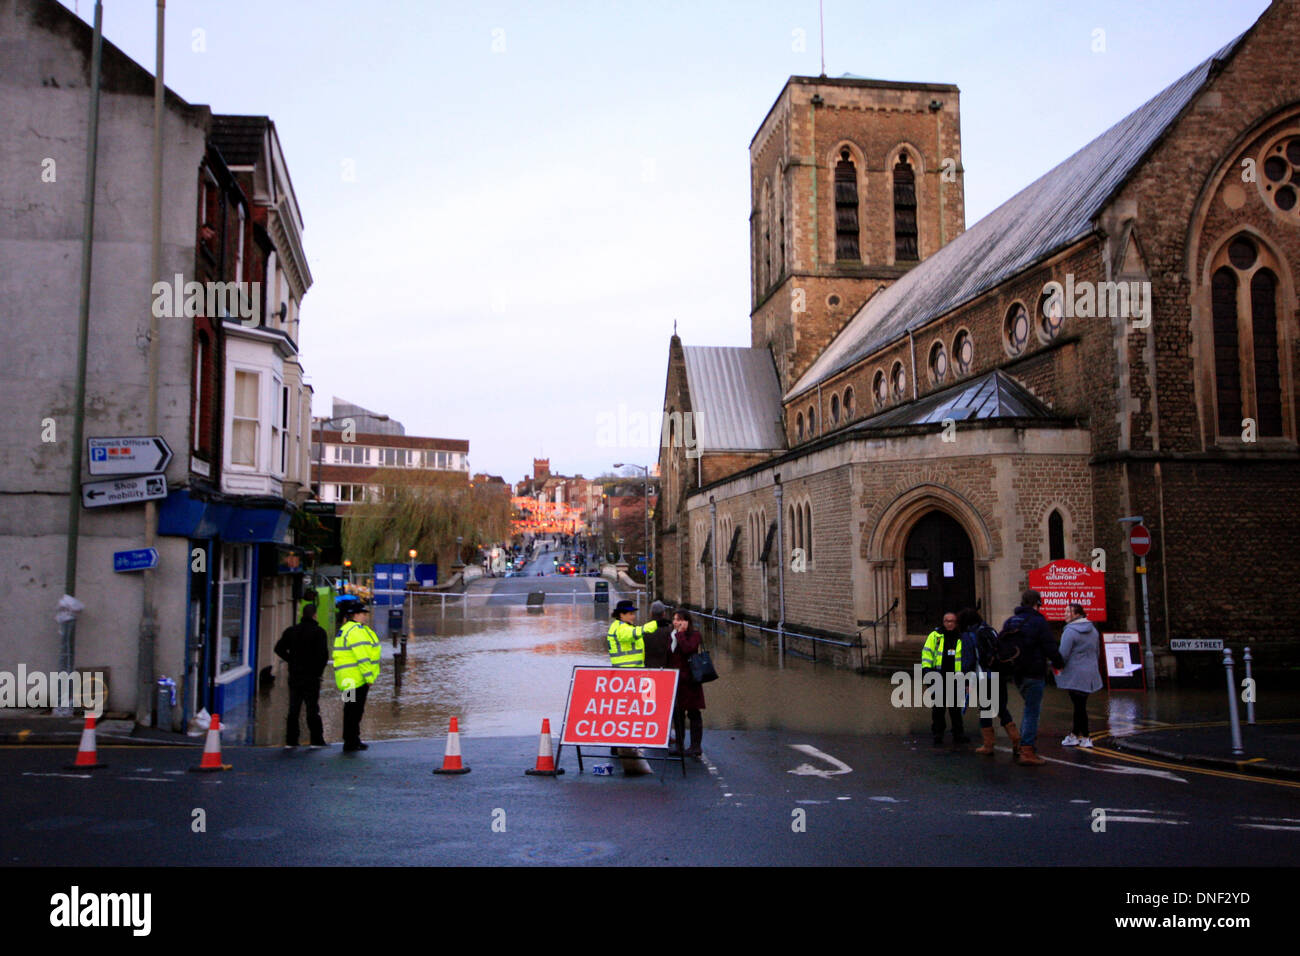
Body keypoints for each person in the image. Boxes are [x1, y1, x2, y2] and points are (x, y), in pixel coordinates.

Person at [1000, 588, 1064, 766]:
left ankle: (1022, 744)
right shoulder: (1038, 622)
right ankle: (1027, 750)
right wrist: (1059, 663)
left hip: (1016, 673)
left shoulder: (1011, 621)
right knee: (1031, 710)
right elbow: (1049, 646)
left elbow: (1001, 644)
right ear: (1038, 603)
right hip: (1034, 671)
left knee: (1029, 708)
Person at [957, 607, 1018, 757]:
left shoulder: (969, 635)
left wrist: (965, 678)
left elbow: (968, 660)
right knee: (1001, 708)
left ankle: (988, 744)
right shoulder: (990, 630)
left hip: (983, 676)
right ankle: (1017, 741)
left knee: (985, 709)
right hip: (998, 674)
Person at [274, 602, 329, 749]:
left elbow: (278, 648)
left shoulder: (291, 631)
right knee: (312, 708)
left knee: (294, 708)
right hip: (312, 676)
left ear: (302, 615)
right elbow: (323, 656)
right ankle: (316, 740)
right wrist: (318, 672)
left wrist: (291, 660)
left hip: (295, 675)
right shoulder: (319, 632)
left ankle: (291, 740)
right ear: (315, 615)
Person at [333, 598, 382, 753]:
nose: (365, 616)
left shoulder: (345, 629)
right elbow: (363, 657)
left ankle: (352, 739)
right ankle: (351, 742)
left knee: (350, 710)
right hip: (357, 680)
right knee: (355, 711)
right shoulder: (356, 631)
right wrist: (369, 678)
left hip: (347, 679)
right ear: (354, 615)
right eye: (362, 613)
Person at [1056, 603, 1102, 748]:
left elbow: (1063, 654)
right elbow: (1097, 652)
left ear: (1076, 615)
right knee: (1079, 705)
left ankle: (1086, 736)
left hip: (1075, 674)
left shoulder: (1070, 631)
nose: (1065, 614)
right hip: (1090, 672)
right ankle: (1075, 735)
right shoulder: (1093, 630)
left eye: (1068, 612)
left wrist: (1055, 665)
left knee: (1079, 706)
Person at [921, 611, 969, 746]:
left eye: (952, 621)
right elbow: (927, 654)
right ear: (943, 622)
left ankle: (958, 733)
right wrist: (927, 671)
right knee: (938, 708)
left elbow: (966, 658)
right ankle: (938, 734)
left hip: (956, 677)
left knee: (955, 709)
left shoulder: (961, 637)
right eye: (947, 621)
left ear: (956, 623)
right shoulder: (935, 636)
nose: (949, 624)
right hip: (938, 676)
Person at [667, 609, 706, 757]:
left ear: (687, 622)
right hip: (677, 681)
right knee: (678, 713)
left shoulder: (694, 635)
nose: (676, 622)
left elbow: (688, 649)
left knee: (694, 712)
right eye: (675, 619)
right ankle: (679, 745)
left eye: (680, 619)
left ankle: (696, 746)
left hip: (690, 681)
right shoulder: (671, 636)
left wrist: (681, 634)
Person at [606, 599, 659, 668]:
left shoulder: (620, 625)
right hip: (627, 670)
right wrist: (656, 624)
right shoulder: (620, 628)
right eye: (631, 614)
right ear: (621, 615)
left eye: (633, 613)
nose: (634, 616)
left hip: (629, 670)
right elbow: (633, 633)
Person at [643, 600, 674, 669]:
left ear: (651, 614)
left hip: (648, 666)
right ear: (664, 614)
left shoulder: (644, 629)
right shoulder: (669, 630)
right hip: (665, 666)